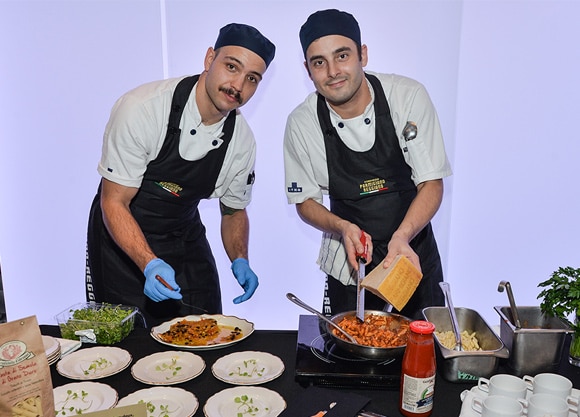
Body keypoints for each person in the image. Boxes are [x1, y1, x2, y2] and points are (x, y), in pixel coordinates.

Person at [86, 23, 275, 326]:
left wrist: (240, 258)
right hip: (120, 237)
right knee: (129, 341)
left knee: (208, 329)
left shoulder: (241, 143)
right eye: (231, 67)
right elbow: (114, 202)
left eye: (252, 78)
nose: (237, 85)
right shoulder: (142, 109)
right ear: (209, 58)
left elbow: (233, 210)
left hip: (182, 234)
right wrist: (149, 264)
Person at [283, 9, 452, 319]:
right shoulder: (302, 123)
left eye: (342, 55)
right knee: (348, 347)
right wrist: (341, 226)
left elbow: (431, 182)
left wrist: (402, 236)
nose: (333, 71)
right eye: (319, 62)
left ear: (362, 54)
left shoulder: (407, 97)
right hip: (350, 270)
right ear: (308, 70)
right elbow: (305, 201)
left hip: (412, 258)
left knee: (425, 348)